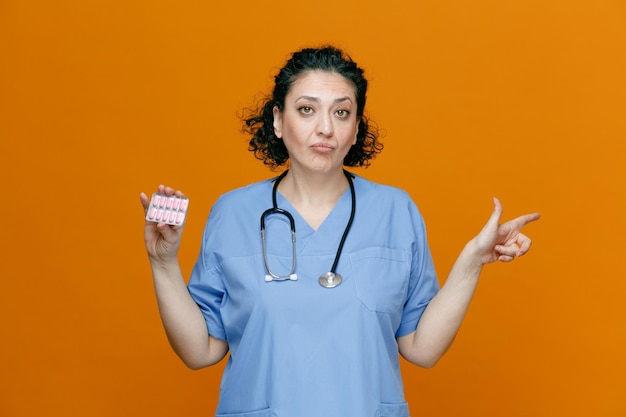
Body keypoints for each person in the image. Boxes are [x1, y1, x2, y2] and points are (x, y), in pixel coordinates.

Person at [140, 46, 540, 417]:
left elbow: (423, 349)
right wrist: (163, 263)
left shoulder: (395, 211)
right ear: (278, 120)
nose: (326, 129)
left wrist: (471, 262)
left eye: (342, 112)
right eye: (307, 109)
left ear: (356, 127)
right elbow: (200, 350)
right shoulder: (233, 212)